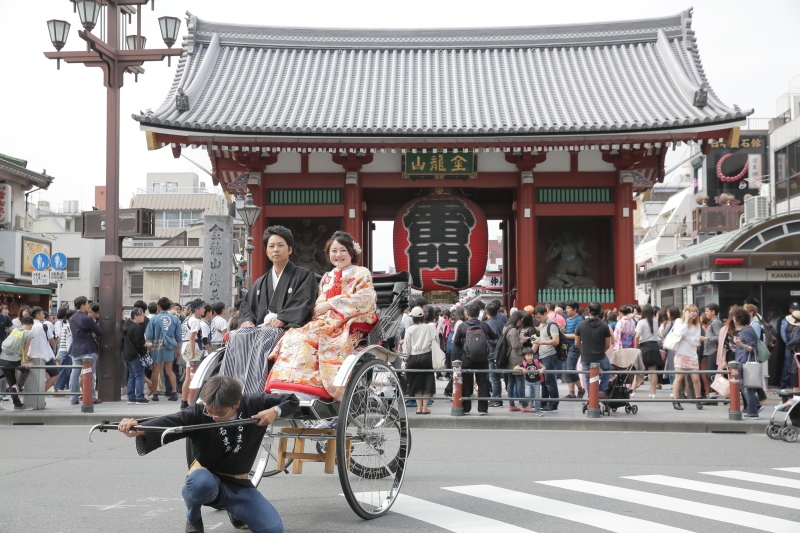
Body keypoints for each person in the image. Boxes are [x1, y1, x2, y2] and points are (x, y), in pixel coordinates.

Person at [118, 375, 297, 533]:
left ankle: (235, 510)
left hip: (239, 482)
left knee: (273, 528)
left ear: (237, 403)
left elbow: (291, 399)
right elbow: (170, 422)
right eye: (209, 411)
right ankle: (193, 516)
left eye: (219, 413)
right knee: (200, 483)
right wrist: (138, 429)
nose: (212, 417)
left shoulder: (254, 404)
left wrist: (275, 411)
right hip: (206, 478)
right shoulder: (198, 412)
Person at [267, 231, 377, 402]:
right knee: (293, 335)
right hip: (325, 320)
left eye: (343, 250)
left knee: (316, 340)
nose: (338, 255)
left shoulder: (361, 273)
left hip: (347, 320)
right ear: (328, 254)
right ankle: (288, 384)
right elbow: (319, 300)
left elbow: (366, 298)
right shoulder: (327, 276)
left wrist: (332, 304)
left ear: (351, 252)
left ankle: (315, 389)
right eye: (334, 251)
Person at [223, 226, 317, 395]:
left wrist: (283, 318)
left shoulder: (304, 276)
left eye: (280, 245)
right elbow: (247, 307)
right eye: (271, 246)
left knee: (267, 334)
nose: (276, 250)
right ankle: (227, 390)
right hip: (261, 328)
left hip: (285, 329)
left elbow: (303, 302)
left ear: (289, 249)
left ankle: (252, 392)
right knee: (237, 335)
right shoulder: (260, 282)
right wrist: (246, 320)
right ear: (266, 251)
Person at [453, 302, 496, 415]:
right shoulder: (484, 325)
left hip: (467, 358)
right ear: (479, 313)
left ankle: (466, 409)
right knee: (482, 383)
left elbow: (456, 342)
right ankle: (482, 409)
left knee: (467, 383)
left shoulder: (463, 326)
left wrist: (465, 346)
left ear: (467, 313)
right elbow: (494, 336)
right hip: (482, 358)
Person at [144, 297, 183, 402]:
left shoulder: (154, 319)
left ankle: (155, 393)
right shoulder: (175, 319)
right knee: (170, 371)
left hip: (156, 347)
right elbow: (179, 336)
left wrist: (148, 350)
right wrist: (178, 349)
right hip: (170, 347)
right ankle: (174, 392)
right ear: (169, 307)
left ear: (159, 306)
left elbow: (148, 336)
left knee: (156, 371)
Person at [68, 297, 103, 405]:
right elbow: (99, 332)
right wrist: (92, 332)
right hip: (88, 349)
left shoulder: (72, 318)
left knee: (74, 374)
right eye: (87, 304)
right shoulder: (87, 318)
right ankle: (91, 398)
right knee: (89, 375)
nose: (89, 306)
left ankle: (73, 399)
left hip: (76, 349)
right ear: (82, 305)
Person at [402, 306, 436, 414]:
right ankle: (425, 407)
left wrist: (405, 359)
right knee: (426, 382)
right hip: (427, 356)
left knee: (416, 382)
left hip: (414, 357)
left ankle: (419, 407)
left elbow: (406, 346)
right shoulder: (430, 327)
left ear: (413, 318)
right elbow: (436, 343)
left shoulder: (410, 330)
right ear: (423, 317)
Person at [574, 302, 613, 398]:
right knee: (607, 370)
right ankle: (602, 391)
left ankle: (591, 396)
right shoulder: (604, 326)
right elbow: (608, 344)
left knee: (588, 377)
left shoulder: (581, 325)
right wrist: (601, 351)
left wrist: (584, 349)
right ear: (600, 312)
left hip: (586, 356)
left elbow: (576, 343)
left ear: (589, 311)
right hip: (600, 355)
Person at [729, 307, 761, 419]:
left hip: (745, 362)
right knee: (746, 387)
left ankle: (753, 412)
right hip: (742, 361)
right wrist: (737, 346)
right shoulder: (746, 330)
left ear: (739, 319)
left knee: (746, 388)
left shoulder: (748, 330)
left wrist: (740, 344)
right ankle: (755, 406)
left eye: (734, 317)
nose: (733, 319)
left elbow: (754, 348)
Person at [670, 305, 703, 411]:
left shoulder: (697, 324)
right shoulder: (679, 321)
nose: (694, 314)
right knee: (679, 377)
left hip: (692, 354)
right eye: (692, 311)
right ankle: (676, 400)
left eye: (696, 312)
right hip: (681, 353)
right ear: (686, 312)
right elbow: (679, 333)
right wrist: (686, 321)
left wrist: (686, 338)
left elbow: (696, 340)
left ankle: (698, 399)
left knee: (696, 379)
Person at [0, 316, 35, 410]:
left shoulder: (15, 331)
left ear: (21, 324)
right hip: (13, 360)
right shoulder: (29, 333)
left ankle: (17, 404)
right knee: (26, 370)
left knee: (11, 381)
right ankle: (18, 386)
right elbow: (26, 348)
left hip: (3, 359)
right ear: (31, 325)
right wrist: (23, 362)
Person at [532, 305, 560, 412]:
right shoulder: (543, 324)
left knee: (550, 380)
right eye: (536, 318)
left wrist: (540, 342)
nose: (538, 320)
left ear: (545, 314)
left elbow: (555, 340)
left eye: (539, 317)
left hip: (549, 354)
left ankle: (553, 403)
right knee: (543, 380)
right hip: (543, 354)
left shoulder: (551, 324)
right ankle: (543, 402)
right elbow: (539, 330)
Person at [501, 310, 530, 412]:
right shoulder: (513, 330)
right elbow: (515, 346)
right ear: (517, 319)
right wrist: (521, 341)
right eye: (521, 320)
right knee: (520, 382)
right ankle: (524, 405)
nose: (521, 323)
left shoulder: (506, 327)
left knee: (511, 382)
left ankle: (511, 404)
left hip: (508, 357)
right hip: (515, 358)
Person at [28, 307, 60, 393]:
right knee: (56, 374)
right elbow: (52, 341)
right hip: (46, 355)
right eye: (42, 314)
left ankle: (36, 394)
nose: (44, 315)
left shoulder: (28, 326)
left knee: (33, 379)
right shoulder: (44, 326)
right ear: (38, 316)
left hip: (30, 355)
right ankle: (41, 393)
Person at [633, 304, 660, 398]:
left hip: (644, 346)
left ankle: (633, 391)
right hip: (654, 346)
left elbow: (636, 337)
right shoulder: (655, 321)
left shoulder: (641, 322)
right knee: (653, 371)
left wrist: (636, 347)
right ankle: (653, 393)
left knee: (639, 370)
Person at [123, 308, 149, 405]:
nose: (144, 317)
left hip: (128, 354)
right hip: (136, 354)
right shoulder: (137, 327)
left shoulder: (128, 325)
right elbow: (140, 343)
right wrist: (148, 345)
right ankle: (140, 397)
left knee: (132, 376)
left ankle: (131, 397)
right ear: (136, 316)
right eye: (142, 315)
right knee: (139, 376)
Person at [561, 300, 586, 399]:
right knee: (566, 370)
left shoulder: (579, 320)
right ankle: (572, 392)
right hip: (565, 346)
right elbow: (568, 332)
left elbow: (577, 336)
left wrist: (564, 335)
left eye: (569, 308)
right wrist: (563, 330)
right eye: (566, 308)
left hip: (574, 347)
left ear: (575, 309)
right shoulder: (568, 320)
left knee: (570, 369)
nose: (566, 310)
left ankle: (580, 389)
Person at [484, 302, 505, 407]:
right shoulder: (499, 322)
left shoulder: (490, 323)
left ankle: (496, 399)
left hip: (493, 354)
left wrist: (487, 340)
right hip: (498, 354)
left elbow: (496, 340)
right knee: (495, 378)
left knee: (494, 378)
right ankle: (496, 398)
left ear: (486, 312)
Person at [701, 304, 723, 401]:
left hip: (713, 351)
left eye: (707, 311)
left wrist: (706, 338)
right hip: (709, 350)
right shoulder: (712, 322)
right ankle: (712, 393)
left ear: (713, 312)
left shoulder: (716, 323)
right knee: (709, 373)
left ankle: (713, 393)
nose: (706, 313)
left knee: (711, 373)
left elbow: (719, 337)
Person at [514, 347, 544, 415]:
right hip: (528, 382)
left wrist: (542, 369)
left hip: (536, 382)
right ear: (524, 356)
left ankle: (538, 410)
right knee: (528, 395)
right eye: (528, 355)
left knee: (537, 397)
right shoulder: (524, 363)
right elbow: (515, 367)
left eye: (531, 355)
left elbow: (543, 367)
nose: (530, 357)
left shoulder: (536, 361)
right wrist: (522, 368)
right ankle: (530, 402)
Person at [54, 309, 75, 393]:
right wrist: (71, 352)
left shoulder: (66, 325)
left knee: (65, 369)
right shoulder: (70, 326)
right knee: (65, 370)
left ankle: (60, 387)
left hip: (64, 350)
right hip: (67, 351)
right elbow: (69, 340)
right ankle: (58, 388)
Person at [780, 302, 800, 389]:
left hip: (795, 350)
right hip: (793, 349)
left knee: (793, 370)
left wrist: (789, 345)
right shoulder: (785, 321)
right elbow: (783, 333)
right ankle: (784, 383)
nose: (796, 310)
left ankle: (795, 387)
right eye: (794, 309)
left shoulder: (796, 328)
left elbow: (795, 339)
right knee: (788, 365)